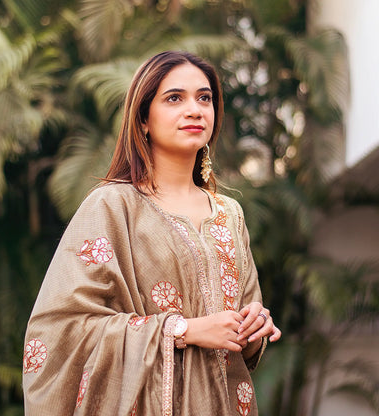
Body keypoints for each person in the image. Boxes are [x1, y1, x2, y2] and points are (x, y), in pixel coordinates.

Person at [22, 50, 281, 416]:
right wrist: (182, 330)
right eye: (174, 98)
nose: (194, 109)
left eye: (204, 98)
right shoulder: (112, 206)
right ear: (143, 118)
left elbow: (241, 324)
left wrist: (254, 326)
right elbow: (62, 328)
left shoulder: (229, 214)